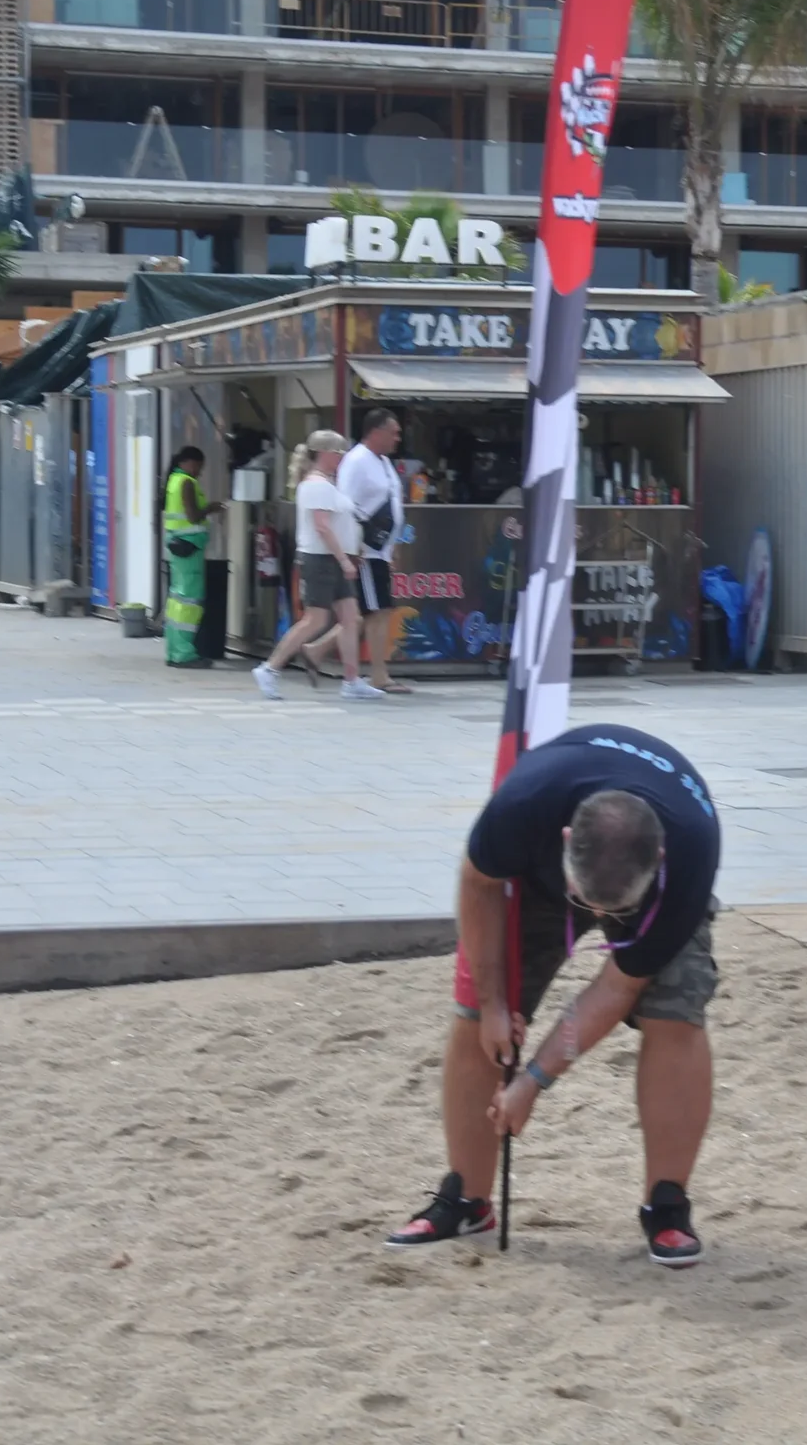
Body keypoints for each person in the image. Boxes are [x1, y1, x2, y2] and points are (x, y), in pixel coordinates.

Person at [386, 724, 721, 1268]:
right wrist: (495, 1004)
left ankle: (667, 1204)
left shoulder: (690, 855)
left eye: (614, 912)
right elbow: (478, 883)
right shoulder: (522, 805)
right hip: (539, 879)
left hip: (648, 883)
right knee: (475, 1018)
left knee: (675, 1013)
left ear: (659, 857)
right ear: (566, 840)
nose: (599, 920)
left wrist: (534, 1080)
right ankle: (466, 1198)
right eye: (588, 904)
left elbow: (617, 986)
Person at [253, 430, 383, 702]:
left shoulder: (324, 484)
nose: (341, 459)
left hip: (332, 559)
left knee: (350, 618)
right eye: (338, 454)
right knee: (316, 620)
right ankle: (270, 668)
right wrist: (344, 559)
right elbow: (322, 527)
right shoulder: (317, 485)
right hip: (322, 560)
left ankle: (351, 680)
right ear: (324, 454)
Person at [311, 409, 411, 693]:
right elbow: (345, 507)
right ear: (376, 432)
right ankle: (378, 675)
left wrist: (394, 546)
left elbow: (391, 503)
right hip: (365, 550)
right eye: (393, 432)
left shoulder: (384, 463)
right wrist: (352, 550)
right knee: (377, 612)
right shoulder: (356, 461)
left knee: (374, 612)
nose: (397, 438)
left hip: (380, 549)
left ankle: (316, 650)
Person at [161, 446, 223, 669]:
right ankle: (185, 654)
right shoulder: (186, 482)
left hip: (178, 547)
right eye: (198, 466)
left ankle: (174, 651)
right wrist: (211, 508)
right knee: (190, 602)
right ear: (188, 462)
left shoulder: (173, 480)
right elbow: (193, 516)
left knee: (177, 599)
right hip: (189, 549)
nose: (199, 471)